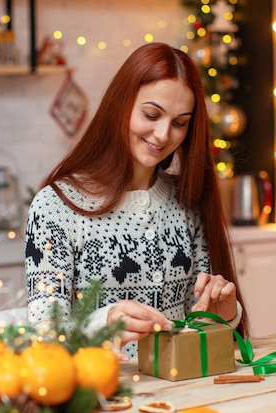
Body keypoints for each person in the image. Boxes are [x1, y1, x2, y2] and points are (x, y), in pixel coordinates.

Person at [24, 42, 247, 359]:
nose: (162, 134)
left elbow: (194, 333)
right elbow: (43, 341)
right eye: (151, 114)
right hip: (103, 399)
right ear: (121, 105)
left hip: (181, 395)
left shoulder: (189, 203)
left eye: (180, 122)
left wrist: (220, 317)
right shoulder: (54, 207)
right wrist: (104, 325)